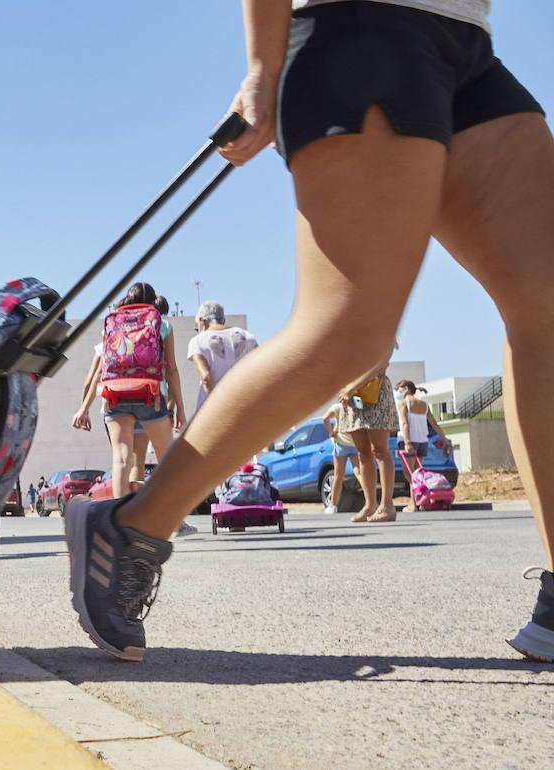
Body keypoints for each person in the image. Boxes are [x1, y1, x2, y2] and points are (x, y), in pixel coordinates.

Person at [66, 0, 554, 663]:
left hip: (468, 44)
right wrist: (264, 68)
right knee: (350, 332)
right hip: (364, 32)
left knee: (547, 308)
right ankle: (132, 525)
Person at [70, 283, 194, 536]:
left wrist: (84, 407)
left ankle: (120, 524)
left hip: (115, 395)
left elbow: (98, 372)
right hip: (149, 395)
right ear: (152, 302)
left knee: (121, 459)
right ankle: (172, 520)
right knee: (167, 460)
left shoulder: (113, 323)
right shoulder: (161, 323)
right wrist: (180, 408)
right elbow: (171, 369)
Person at [338, 362, 399, 522]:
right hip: (353, 396)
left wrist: (351, 387)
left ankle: (387, 505)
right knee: (363, 454)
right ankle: (370, 504)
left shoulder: (380, 337)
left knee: (379, 450)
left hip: (375, 391)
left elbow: (380, 364)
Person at [186, 301, 259, 412]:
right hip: (245, 407)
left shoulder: (197, 341)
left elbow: (206, 377)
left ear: (202, 321)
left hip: (212, 412)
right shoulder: (248, 337)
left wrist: (220, 407)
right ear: (223, 320)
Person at [396, 379, 454, 512]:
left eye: (399, 388)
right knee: (417, 473)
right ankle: (418, 501)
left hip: (409, 440)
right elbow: (434, 424)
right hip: (423, 441)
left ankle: (413, 504)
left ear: (405, 388)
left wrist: (407, 442)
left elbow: (405, 423)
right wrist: (444, 439)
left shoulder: (404, 403)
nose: (398, 391)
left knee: (409, 474)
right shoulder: (424, 404)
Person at [321, 403, 364, 515]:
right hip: (355, 442)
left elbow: (325, 418)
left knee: (338, 475)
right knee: (358, 472)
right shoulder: (357, 404)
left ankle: (333, 506)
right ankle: (371, 500)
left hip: (341, 442)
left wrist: (331, 432)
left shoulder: (337, 407)